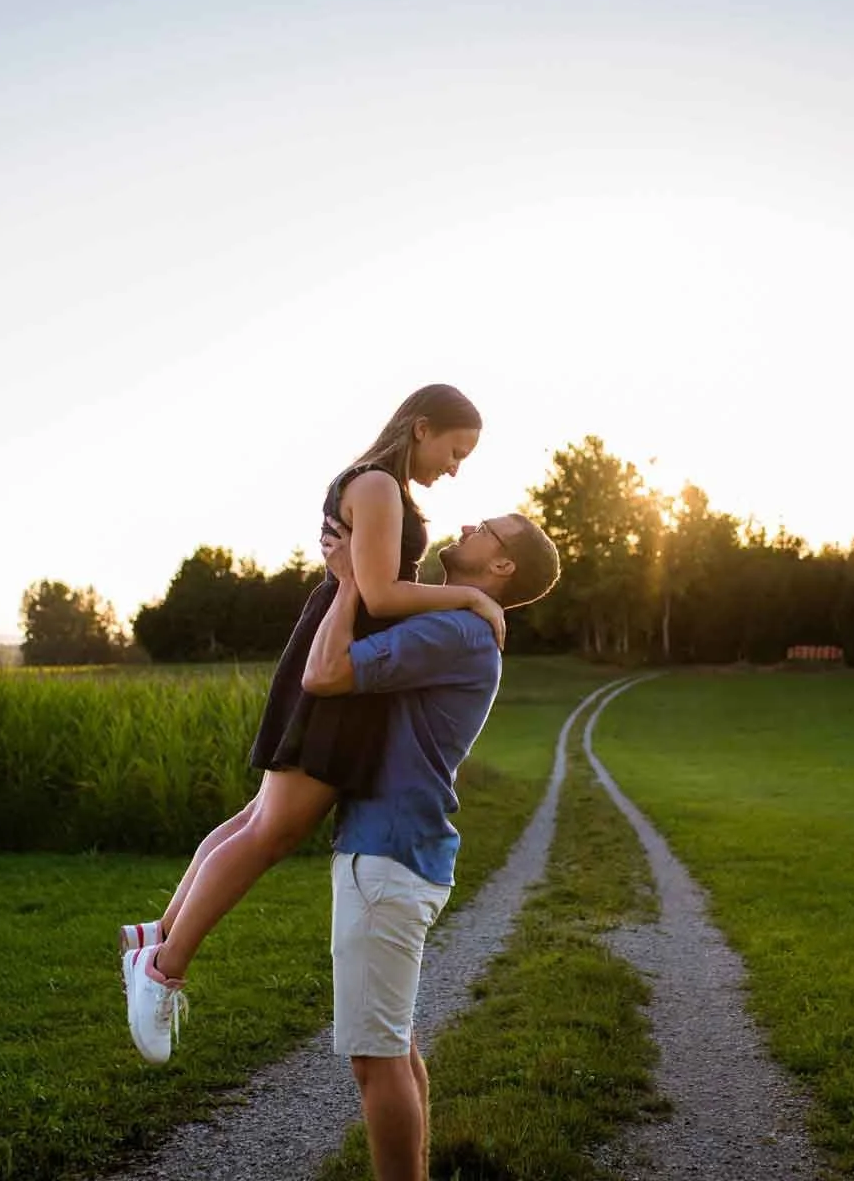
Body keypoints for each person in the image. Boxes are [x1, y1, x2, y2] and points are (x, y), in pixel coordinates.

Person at [121, 385, 508, 1065]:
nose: (455, 469)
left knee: (257, 818)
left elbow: (374, 588)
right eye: (455, 450)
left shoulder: (377, 486)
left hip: (334, 640)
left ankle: (155, 936)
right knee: (274, 829)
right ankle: (163, 968)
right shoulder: (380, 488)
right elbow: (382, 593)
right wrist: (472, 595)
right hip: (338, 656)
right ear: (422, 428)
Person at [304, 509, 560, 1181]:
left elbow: (326, 672)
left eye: (488, 529)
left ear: (500, 566)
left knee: (375, 1057)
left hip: (386, 856)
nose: (471, 524)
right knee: (395, 1042)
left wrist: (346, 585)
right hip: (397, 854)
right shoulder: (462, 622)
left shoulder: (456, 632)